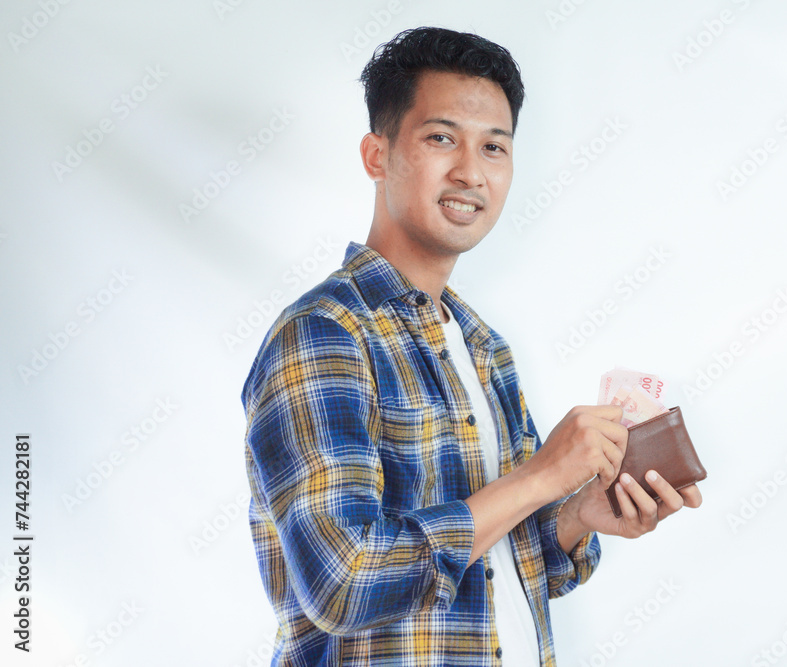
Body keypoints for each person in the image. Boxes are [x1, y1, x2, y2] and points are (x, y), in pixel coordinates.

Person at [241, 26, 702, 666]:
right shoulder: (324, 333)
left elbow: (504, 567)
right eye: (441, 138)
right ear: (377, 156)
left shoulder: (485, 346)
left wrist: (577, 515)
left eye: (493, 147)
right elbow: (341, 584)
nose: (470, 171)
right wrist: (540, 476)